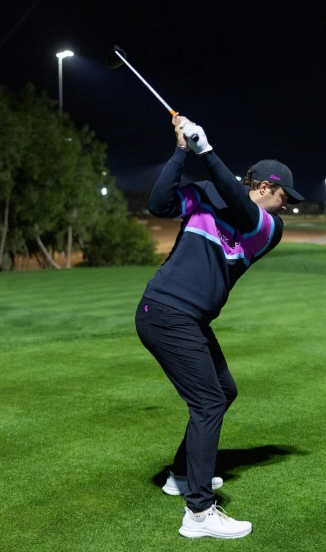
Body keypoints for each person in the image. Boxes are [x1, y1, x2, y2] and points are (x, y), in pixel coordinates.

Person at [135, 114, 303, 539]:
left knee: (223, 391)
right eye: (284, 196)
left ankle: (181, 474)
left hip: (187, 318)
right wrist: (182, 151)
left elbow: (241, 207)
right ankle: (199, 513)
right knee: (209, 402)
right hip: (166, 312)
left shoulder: (269, 228)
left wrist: (206, 153)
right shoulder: (207, 194)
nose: (287, 205)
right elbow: (159, 205)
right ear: (263, 186)